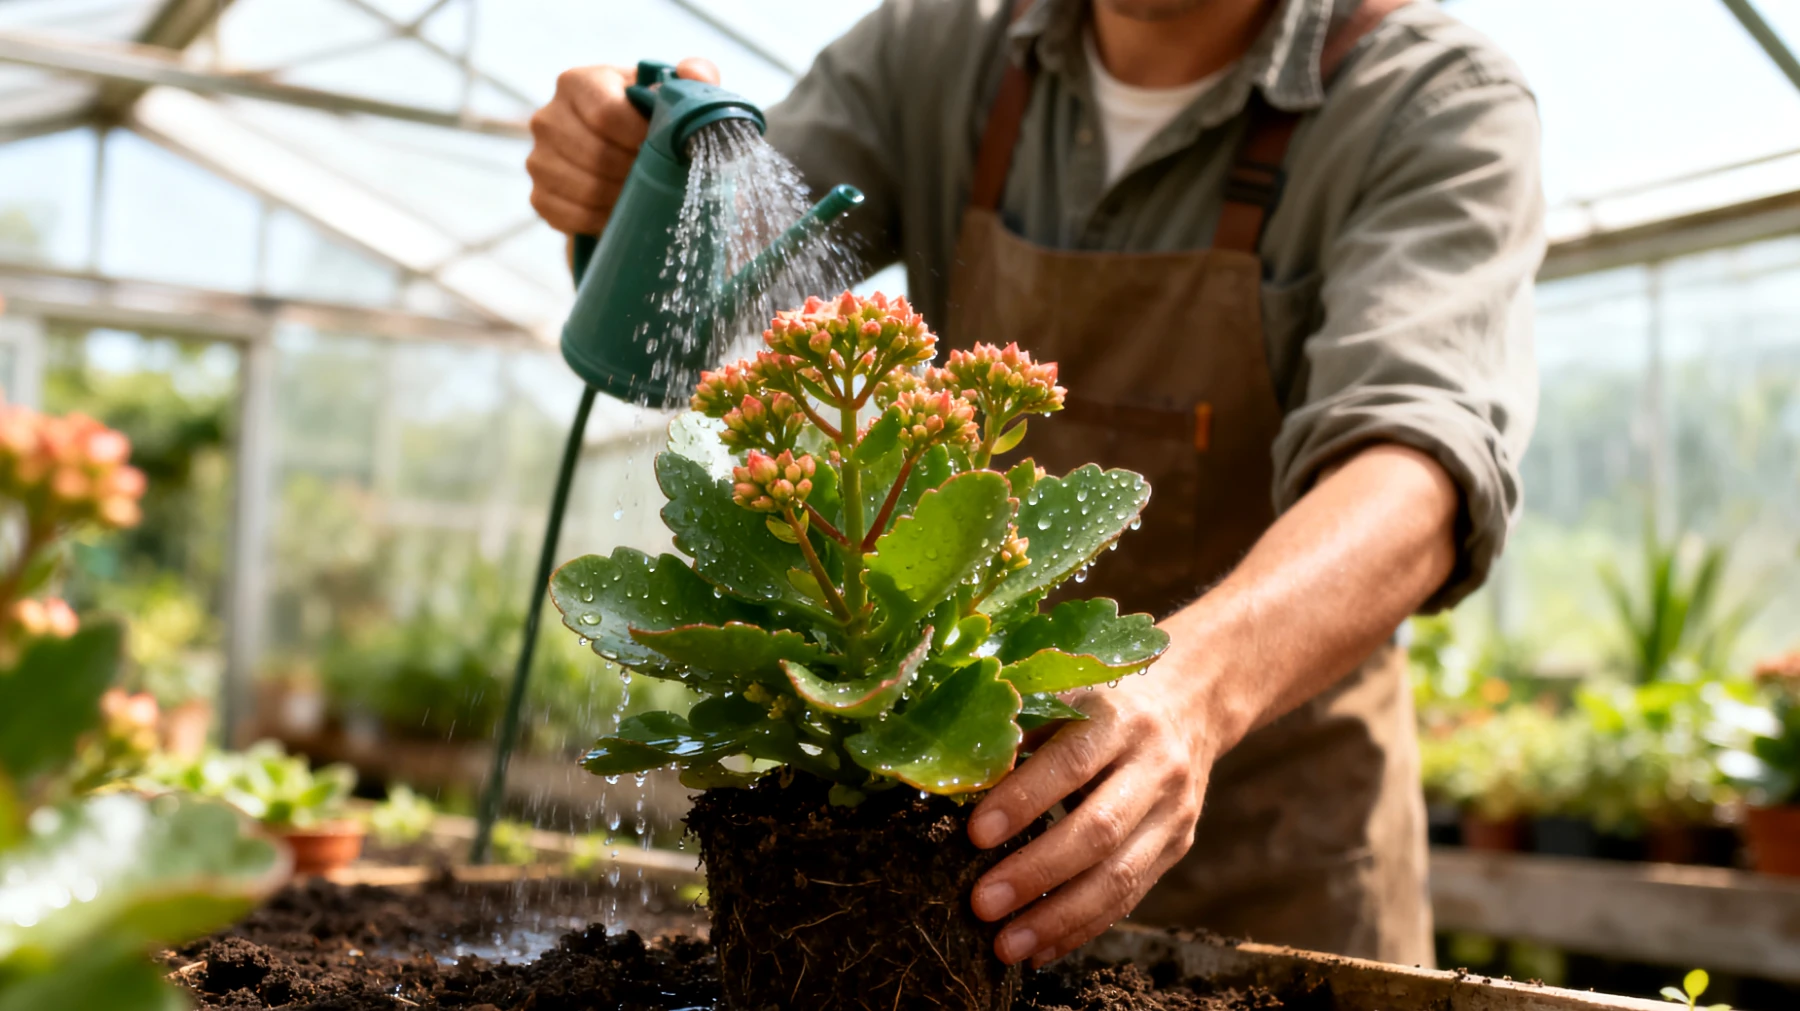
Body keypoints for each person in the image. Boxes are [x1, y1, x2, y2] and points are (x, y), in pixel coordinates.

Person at [525, 0, 1542, 971]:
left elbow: (1419, 463)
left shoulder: (1429, 98)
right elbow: (699, 296)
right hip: (957, 869)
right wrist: (631, 178)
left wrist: (1193, 689)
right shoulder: (933, 54)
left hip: (1276, 871)